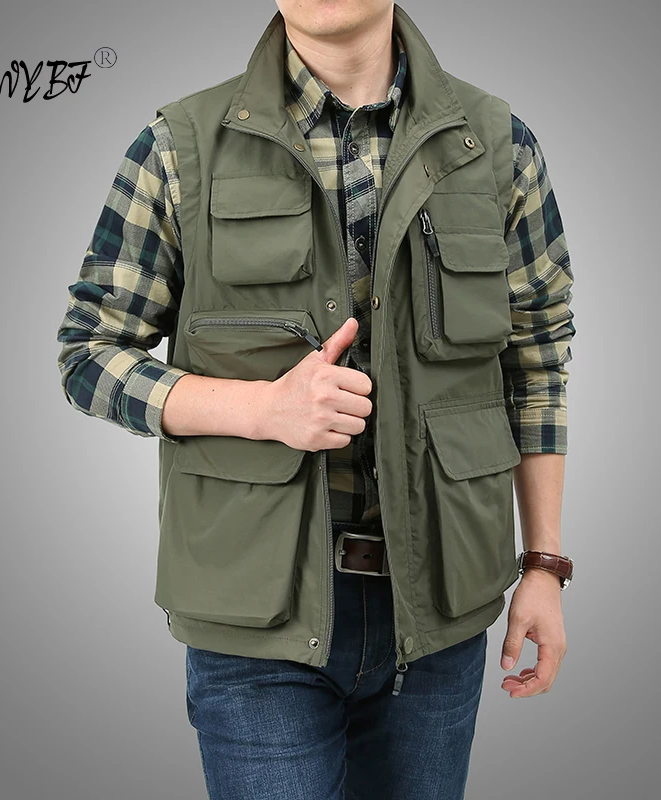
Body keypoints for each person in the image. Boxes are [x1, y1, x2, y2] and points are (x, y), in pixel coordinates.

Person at [56, 1, 576, 797]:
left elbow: (536, 363)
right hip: (254, 621)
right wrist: (260, 411)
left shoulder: (498, 144)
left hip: (438, 613)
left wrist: (543, 563)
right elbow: (89, 354)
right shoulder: (178, 146)